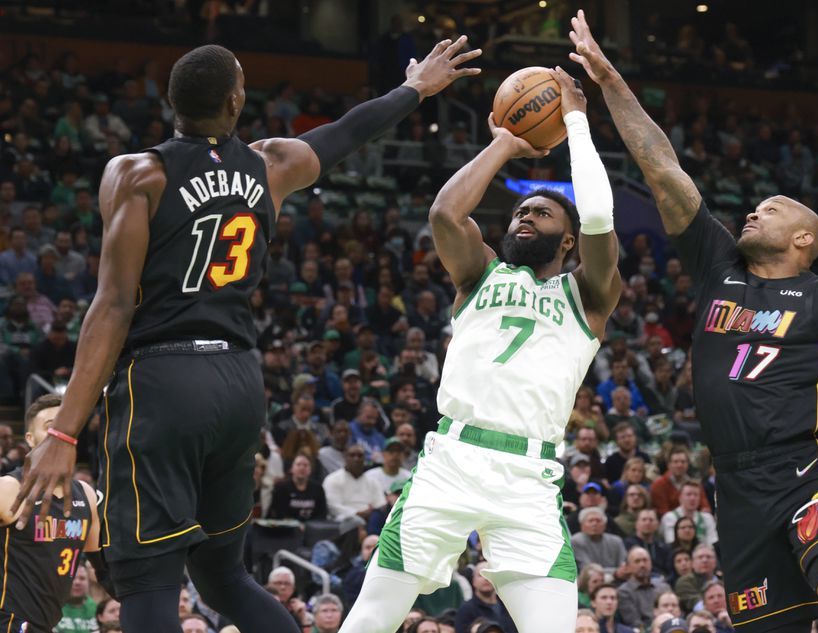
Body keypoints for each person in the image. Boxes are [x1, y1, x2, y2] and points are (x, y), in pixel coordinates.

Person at [15, 40, 480, 633]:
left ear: (171, 102)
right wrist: (415, 88)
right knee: (225, 577)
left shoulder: (137, 174)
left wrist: (62, 430)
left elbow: (110, 306)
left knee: (150, 581)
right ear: (236, 101)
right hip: (238, 380)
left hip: (163, 381)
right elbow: (345, 133)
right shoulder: (271, 164)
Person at [569, 9, 818, 633]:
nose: (752, 212)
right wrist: (610, 79)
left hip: (807, 467)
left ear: (804, 237)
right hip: (738, 483)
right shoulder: (719, 266)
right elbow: (662, 168)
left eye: (768, 210)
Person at [341, 68, 621, 633]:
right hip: (450, 459)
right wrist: (501, 145)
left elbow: (596, 216)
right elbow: (446, 213)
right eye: (519, 212)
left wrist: (574, 120)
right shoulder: (478, 274)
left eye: (540, 213)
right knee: (372, 616)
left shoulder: (588, 296)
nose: (524, 217)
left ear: (567, 241)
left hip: (529, 475)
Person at [0, 395, 100, 632]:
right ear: (30, 439)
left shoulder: (86, 495)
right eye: (50, 428)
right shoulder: (9, 488)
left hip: (45, 624)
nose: (60, 437)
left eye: (66, 428)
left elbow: (102, 566)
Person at [453, 562, 518, 633]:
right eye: (480, 575)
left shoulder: (509, 607)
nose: (485, 578)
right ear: (473, 580)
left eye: (489, 575)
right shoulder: (465, 610)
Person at [267, 453, 327, 521]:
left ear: (310, 470)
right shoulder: (281, 488)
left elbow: (322, 514)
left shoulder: (318, 489)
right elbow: (278, 513)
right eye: (298, 464)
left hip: (312, 528)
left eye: (305, 465)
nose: (302, 468)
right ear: (291, 469)